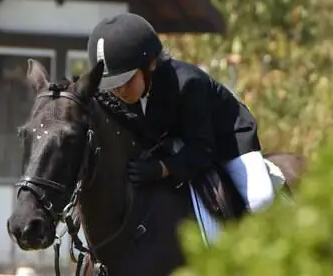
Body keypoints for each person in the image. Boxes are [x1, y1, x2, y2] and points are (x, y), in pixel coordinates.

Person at [86, 13, 275, 240]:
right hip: (173, 138)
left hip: (226, 139)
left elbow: (202, 150)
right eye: (112, 86)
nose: (120, 92)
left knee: (261, 199)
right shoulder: (116, 95)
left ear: (150, 64)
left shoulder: (188, 83)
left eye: (126, 81)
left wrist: (161, 168)